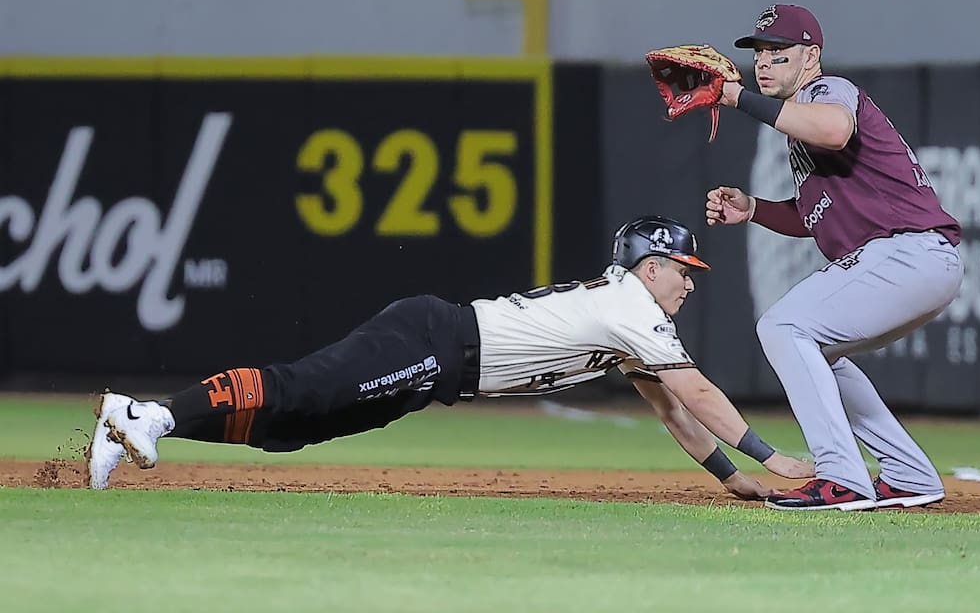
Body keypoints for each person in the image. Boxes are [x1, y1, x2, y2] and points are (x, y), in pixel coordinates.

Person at [87, 215, 814, 498]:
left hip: (441, 366)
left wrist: (728, 476)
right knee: (300, 388)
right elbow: (700, 395)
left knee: (293, 427)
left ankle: (149, 424)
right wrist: (770, 457)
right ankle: (149, 414)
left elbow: (672, 411)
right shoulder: (631, 305)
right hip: (436, 342)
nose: (689, 281)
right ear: (648, 265)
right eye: (682, 268)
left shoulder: (631, 320)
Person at [705, 4, 964, 511]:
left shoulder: (826, 91)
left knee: (782, 327)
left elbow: (835, 130)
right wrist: (754, 208)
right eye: (759, 54)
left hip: (907, 251)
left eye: (779, 53)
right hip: (913, 259)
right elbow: (814, 215)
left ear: (811, 56)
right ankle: (909, 474)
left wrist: (737, 97)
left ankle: (841, 476)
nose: (764, 63)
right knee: (818, 350)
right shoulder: (800, 122)